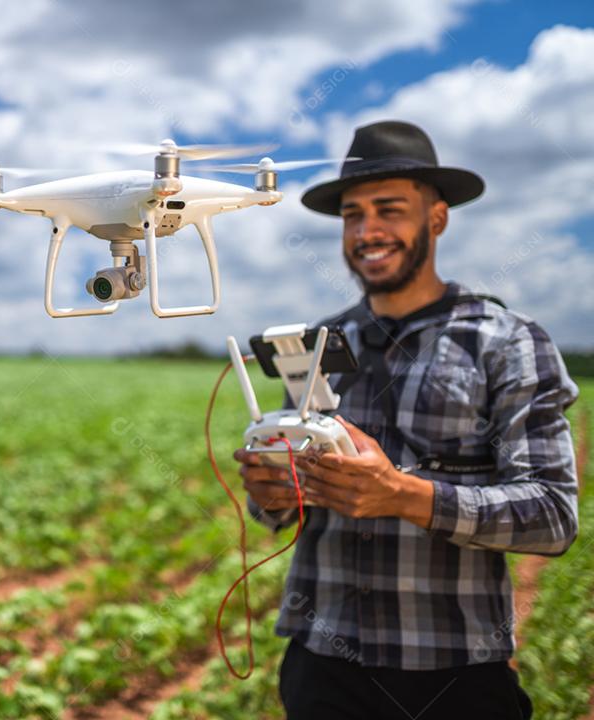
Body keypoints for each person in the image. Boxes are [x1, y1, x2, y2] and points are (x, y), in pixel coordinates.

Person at [234, 120, 579, 720]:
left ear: (436, 218)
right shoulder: (318, 343)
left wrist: (402, 495)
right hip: (321, 668)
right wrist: (272, 493)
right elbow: (283, 504)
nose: (367, 231)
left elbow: (552, 516)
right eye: (353, 215)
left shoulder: (505, 342)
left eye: (389, 210)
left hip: (451, 673)